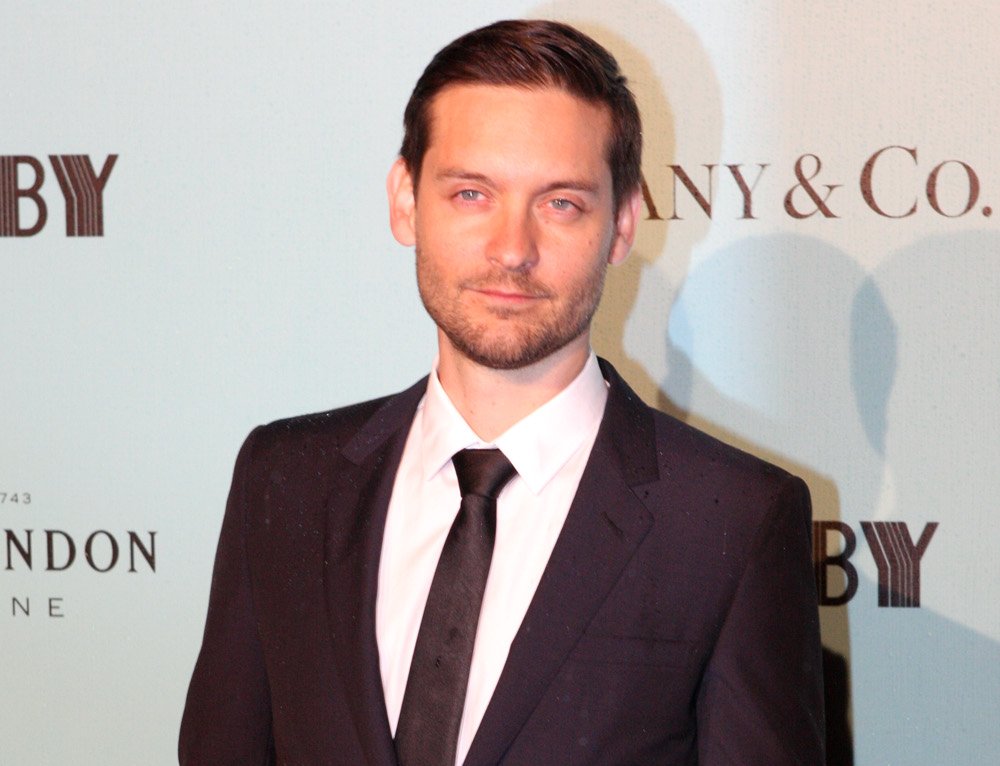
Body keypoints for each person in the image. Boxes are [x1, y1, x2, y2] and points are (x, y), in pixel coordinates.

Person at [179, 19, 824, 766]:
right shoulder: (284, 480)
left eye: (560, 204)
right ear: (404, 200)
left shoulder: (731, 522)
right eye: (471, 193)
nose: (512, 249)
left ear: (622, 224)